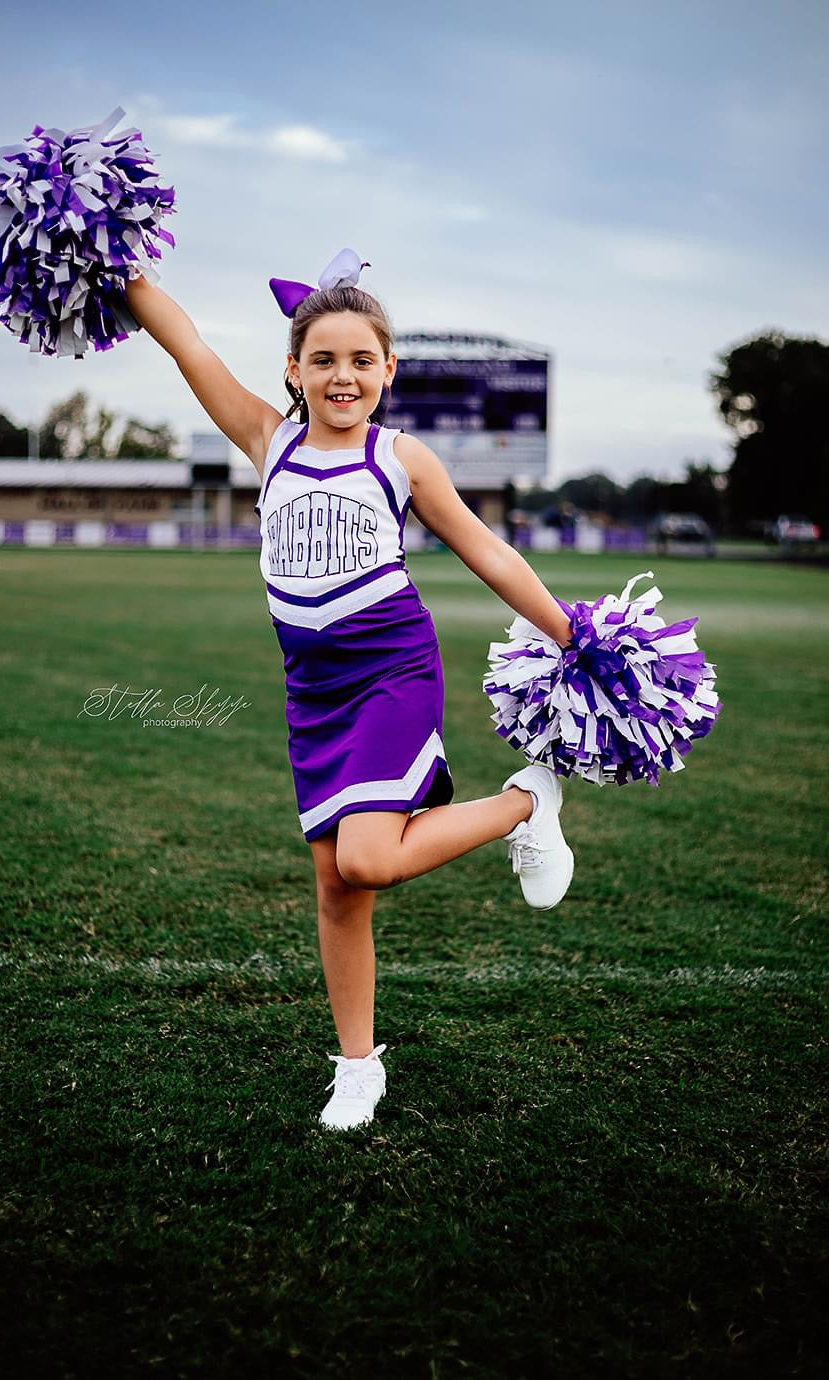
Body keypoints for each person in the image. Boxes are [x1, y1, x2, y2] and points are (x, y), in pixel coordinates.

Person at [124, 250, 575, 1132]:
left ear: (387, 372)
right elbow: (185, 345)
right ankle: (358, 1067)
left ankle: (524, 802)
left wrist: (569, 633)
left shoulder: (400, 458)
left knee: (367, 856)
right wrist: (114, 266)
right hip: (312, 691)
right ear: (292, 370)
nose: (342, 375)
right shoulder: (268, 440)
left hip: (390, 673)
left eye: (361, 359)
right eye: (322, 359)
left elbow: (487, 550)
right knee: (337, 886)